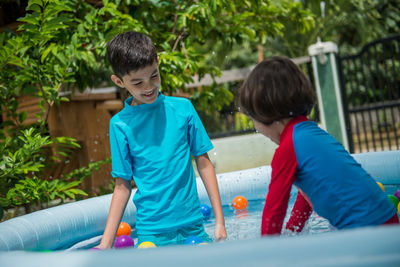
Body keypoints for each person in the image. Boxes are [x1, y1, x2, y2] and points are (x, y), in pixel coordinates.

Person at [238, 56, 399, 236]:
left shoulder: (288, 148)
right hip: (386, 218)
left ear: (265, 113)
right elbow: (306, 193)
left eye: (252, 118)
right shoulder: (311, 132)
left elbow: (274, 210)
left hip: (365, 230)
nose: (255, 126)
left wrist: (266, 254)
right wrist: (293, 230)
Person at [97, 31, 227, 248]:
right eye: (137, 83)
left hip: (193, 226)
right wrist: (105, 243)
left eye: (154, 76)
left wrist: (220, 221)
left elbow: (204, 163)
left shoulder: (183, 109)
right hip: (152, 232)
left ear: (158, 63)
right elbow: (122, 186)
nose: (148, 87)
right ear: (119, 81)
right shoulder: (120, 125)